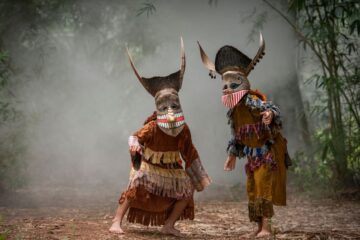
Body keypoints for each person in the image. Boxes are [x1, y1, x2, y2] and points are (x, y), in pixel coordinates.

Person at [109, 38, 211, 237]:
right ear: (157, 108)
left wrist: (199, 178)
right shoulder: (153, 127)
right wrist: (135, 146)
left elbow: (189, 151)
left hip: (171, 169)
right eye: (164, 108)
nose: (170, 112)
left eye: (174, 106)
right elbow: (135, 137)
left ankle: (168, 225)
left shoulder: (183, 129)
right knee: (137, 183)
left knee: (186, 190)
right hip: (149, 166)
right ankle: (116, 221)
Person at [198, 33, 291, 238]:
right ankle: (258, 227)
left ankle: (266, 227)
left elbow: (271, 107)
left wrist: (268, 114)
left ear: (243, 82)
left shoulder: (251, 101)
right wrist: (232, 155)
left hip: (265, 154)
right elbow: (237, 134)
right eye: (224, 86)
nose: (228, 90)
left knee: (262, 188)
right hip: (251, 157)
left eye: (233, 85)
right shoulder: (234, 110)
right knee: (252, 190)